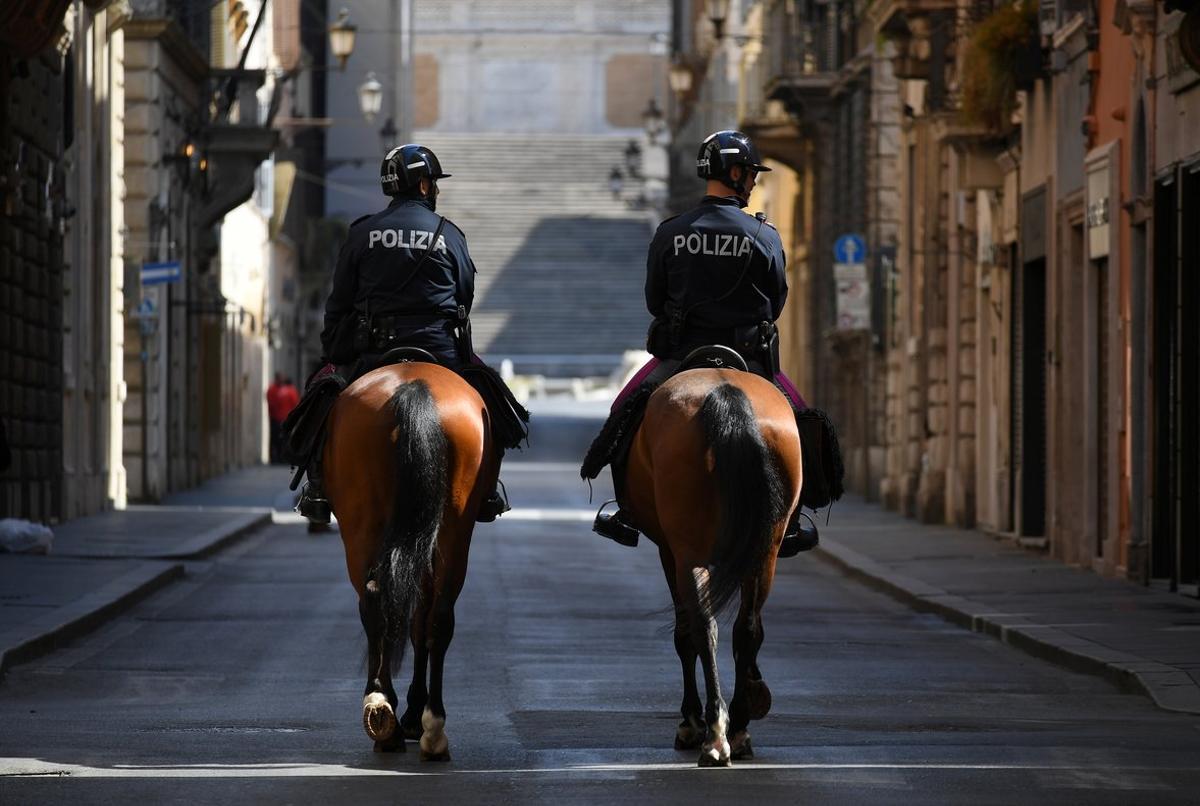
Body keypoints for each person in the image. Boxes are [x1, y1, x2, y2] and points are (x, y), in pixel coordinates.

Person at [582, 130, 828, 557]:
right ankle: (793, 518)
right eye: (749, 174)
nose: (752, 183)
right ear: (733, 174)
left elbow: (654, 300)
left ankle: (626, 510)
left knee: (624, 410)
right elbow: (777, 301)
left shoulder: (671, 231)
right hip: (749, 359)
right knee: (802, 419)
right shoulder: (763, 235)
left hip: (681, 356)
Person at [292, 143, 527, 524]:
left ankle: (317, 487)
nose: (435, 190)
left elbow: (339, 302)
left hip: (372, 352)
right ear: (421, 186)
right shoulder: (449, 235)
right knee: (492, 402)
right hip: (440, 349)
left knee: (320, 402)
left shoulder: (362, 232)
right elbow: (465, 295)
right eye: (433, 183)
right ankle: (487, 490)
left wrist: (332, 349)